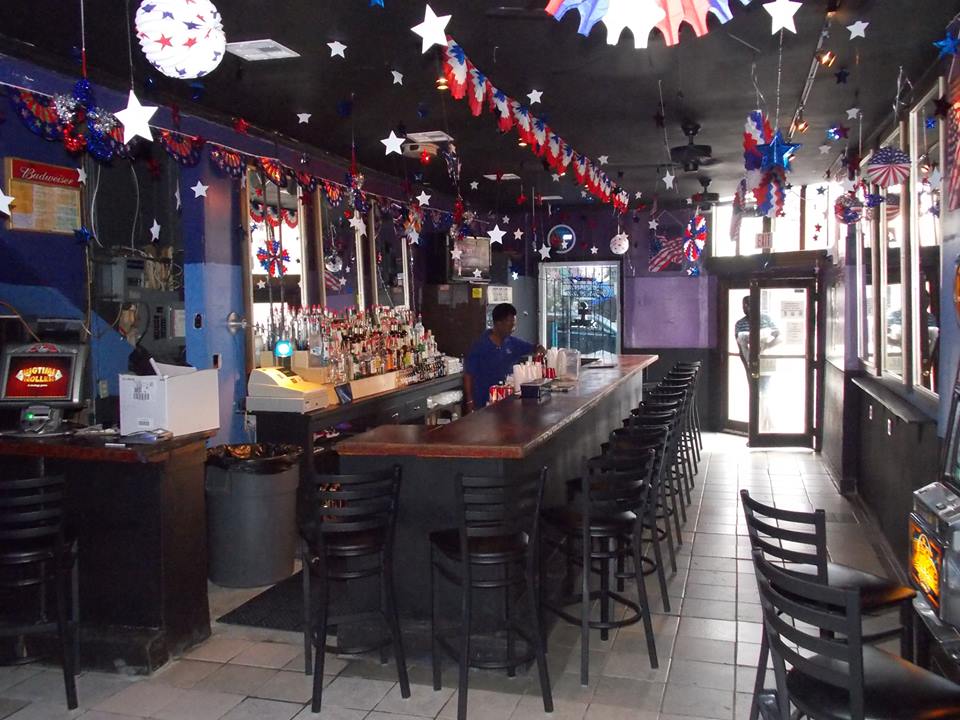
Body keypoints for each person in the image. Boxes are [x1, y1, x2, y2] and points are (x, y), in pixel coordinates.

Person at [463, 303, 545, 413]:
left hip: (507, 402)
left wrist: (540, 349)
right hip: (485, 404)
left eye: (514, 325)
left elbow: (534, 348)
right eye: (510, 325)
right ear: (498, 323)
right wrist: (469, 402)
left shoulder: (512, 343)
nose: (513, 329)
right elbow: (468, 375)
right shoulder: (480, 345)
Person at [735, 296, 780, 432]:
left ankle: (764, 428)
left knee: (764, 393)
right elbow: (740, 348)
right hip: (751, 361)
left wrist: (765, 347)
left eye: (748, 305)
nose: (745, 308)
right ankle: (758, 428)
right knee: (755, 393)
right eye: (744, 305)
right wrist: (747, 365)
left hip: (766, 360)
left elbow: (779, 336)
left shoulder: (766, 319)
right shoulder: (740, 323)